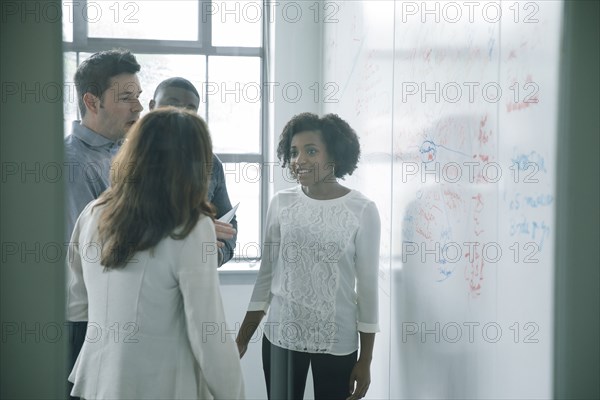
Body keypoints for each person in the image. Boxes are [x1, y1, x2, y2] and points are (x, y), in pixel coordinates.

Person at [66, 107, 245, 399]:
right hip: (160, 387)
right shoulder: (190, 227)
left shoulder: (93, 212)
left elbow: (76, 303)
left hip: (95, 382)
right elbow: (208, 335)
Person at [235, 113, 381, 400]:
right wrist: (241, 340)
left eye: (311, 151)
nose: (299, 160)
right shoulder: (281, 203)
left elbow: (367, 289)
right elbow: (265, 279)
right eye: (293, 152)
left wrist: (365, 360)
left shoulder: (362, 210)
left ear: (335, 155)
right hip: (281, 338)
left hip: (337, 341)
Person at [64, 48, 143, 399]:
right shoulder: (72, 164)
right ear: (92, 102)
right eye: (126, 98)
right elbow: (99, 251)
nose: (138, 107)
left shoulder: (123, 152)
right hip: (86, 323)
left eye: (138, 96)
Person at [149, 77, 237, 266]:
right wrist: (193, 233)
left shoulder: (210, 163)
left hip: (195, 274)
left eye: (191, 108)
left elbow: (229, 225)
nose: (181, 113)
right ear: (151, 106)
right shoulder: (128, 159)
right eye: (172, 104)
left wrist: (216, 255)